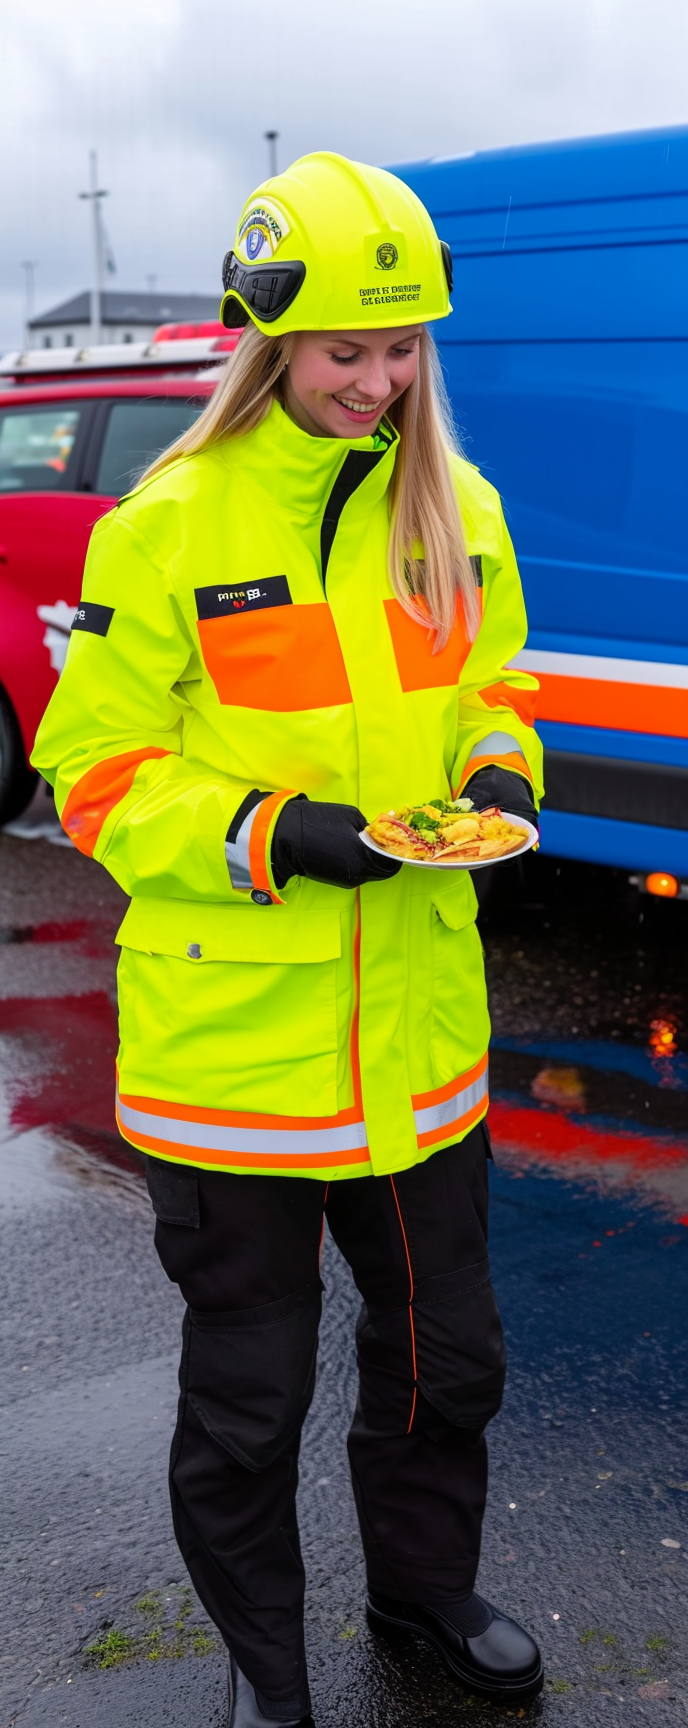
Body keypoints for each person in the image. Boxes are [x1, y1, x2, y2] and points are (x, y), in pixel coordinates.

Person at [33, 152, 545, 1726]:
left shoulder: (457, 502)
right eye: (346, 352)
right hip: (236, 1066)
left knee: (440, 1366)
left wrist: (499, 771)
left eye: (402, 351)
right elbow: (96, 776)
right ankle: (267, 1671)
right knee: (249, 1404)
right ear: (269, 341)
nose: (378, 384)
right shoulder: (165, 526)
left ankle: (423, 1597)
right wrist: (280, 834)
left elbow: (495, 687)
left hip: (418, 1047)